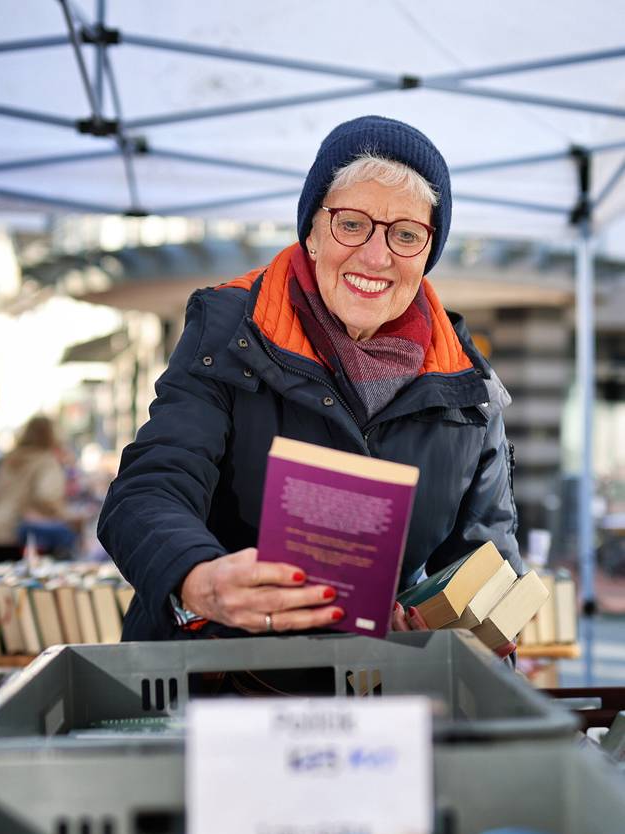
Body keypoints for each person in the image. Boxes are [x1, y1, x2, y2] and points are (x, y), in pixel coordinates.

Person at [97, 115, 522, 643]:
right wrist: (199, 578)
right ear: (314, 233)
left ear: (427, 255)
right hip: (215, 678)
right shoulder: (230, 330)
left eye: (406, 235)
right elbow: (148, 490)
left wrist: (435, 634)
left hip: (374, 691)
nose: (375, 255)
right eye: (351, 223)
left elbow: (489, 569)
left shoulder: (468, 388)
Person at [0, 415, 75, 562]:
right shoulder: (45, 461)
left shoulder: (9, 459)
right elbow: (47, 496)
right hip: (26, 534)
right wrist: (64, 515)